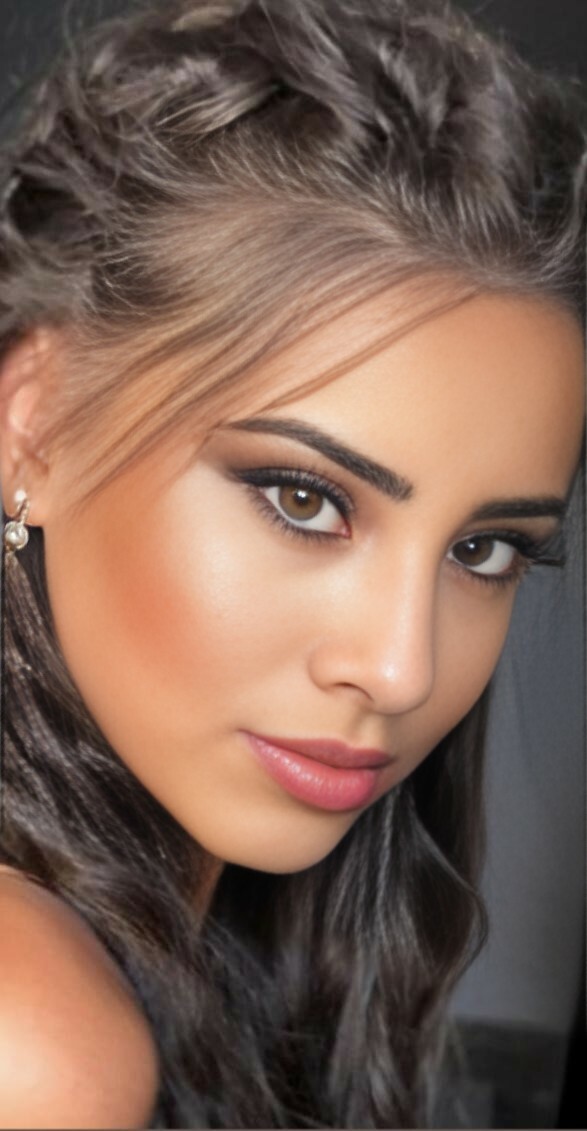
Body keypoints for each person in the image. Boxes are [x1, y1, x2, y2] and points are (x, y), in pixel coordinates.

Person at [0, 0, 584, 1126]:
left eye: (482, 549)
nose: (401, 669)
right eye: (303, 499)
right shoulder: (34, 1041)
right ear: (35, 423)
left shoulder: (191, 963)